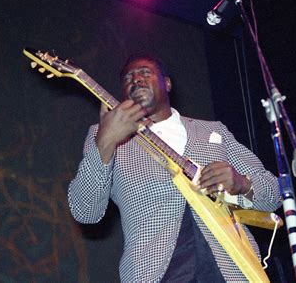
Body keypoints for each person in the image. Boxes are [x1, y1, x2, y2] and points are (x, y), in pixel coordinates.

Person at [68, 53, 282, 282]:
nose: (136, 79)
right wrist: (105, 141)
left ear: (167, 84)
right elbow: (85, 211)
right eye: (128, 77)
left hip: (232, 270)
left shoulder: (213, 131)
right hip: (155, 272)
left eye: (145, 72)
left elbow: (275, 194)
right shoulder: (103, 136)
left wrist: (242, 184)